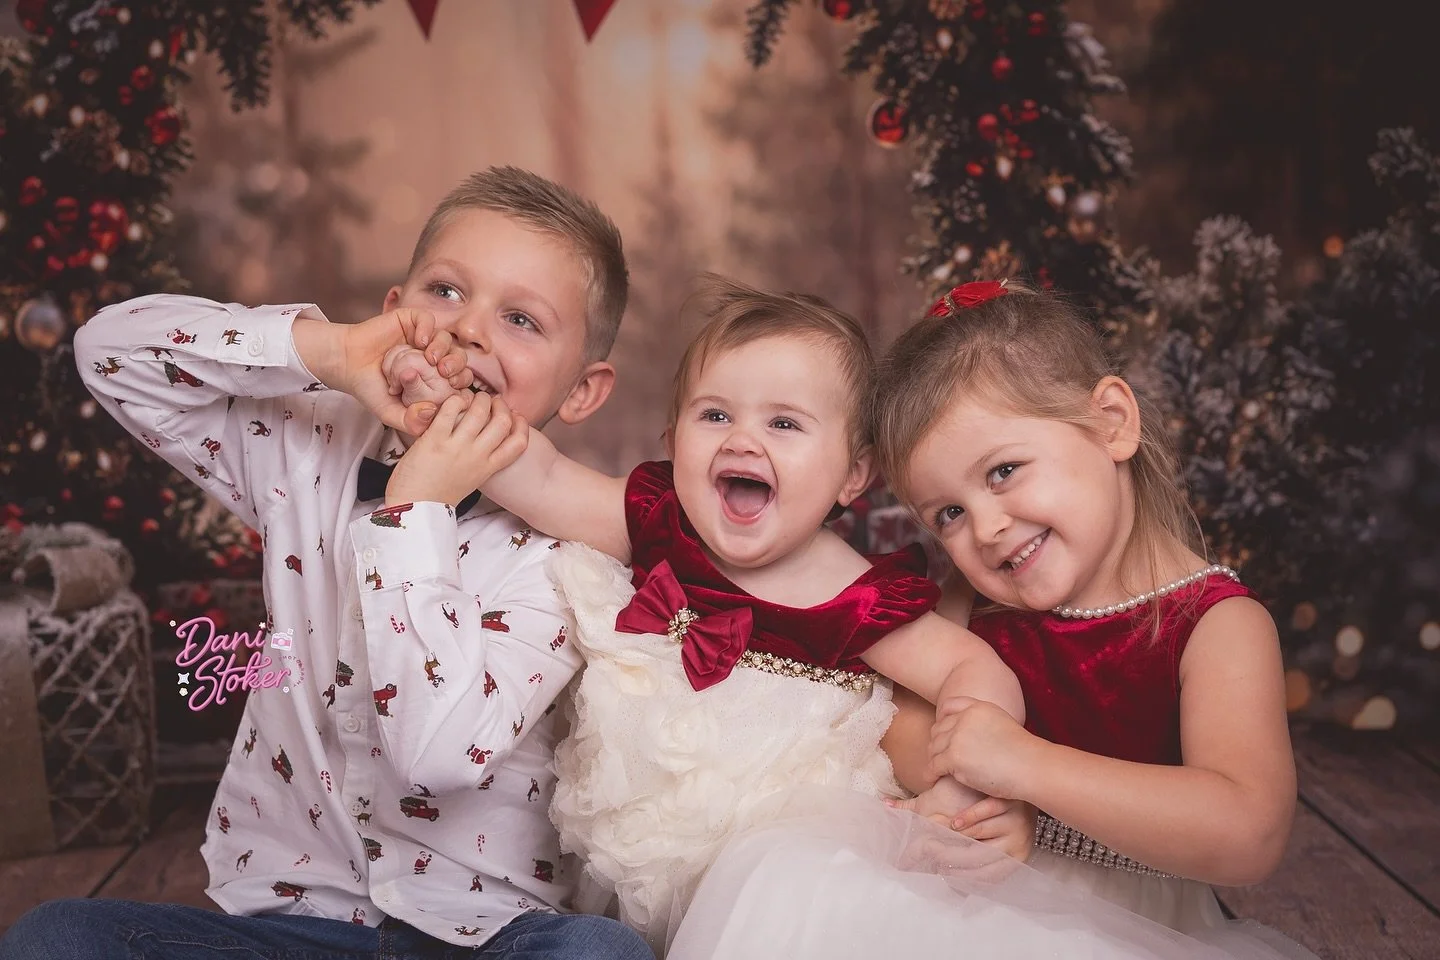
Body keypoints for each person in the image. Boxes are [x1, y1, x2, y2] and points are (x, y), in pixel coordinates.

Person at [0, 167, 653, 960]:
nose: (470, 329)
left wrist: (415, 511)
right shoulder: (305, 448)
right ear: (393, 314)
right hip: (289, 927)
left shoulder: (566, 559)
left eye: (520, 318)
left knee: (597, 951)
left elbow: (438, 754)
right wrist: (332, 352)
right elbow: (108, 351)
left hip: (480, 935)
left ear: (582, 392)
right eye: (446, 291)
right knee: (56, 936)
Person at [651, 280, 1321, 960]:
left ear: (1113, 422)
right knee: (791, 882)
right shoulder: (974, 602)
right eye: (948, 514)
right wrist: (967, 795)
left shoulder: (1214, 625)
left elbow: (1248, 833)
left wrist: (1025, 768)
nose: (988, 528)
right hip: (975, 885)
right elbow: (902, 724)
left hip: (1132, 925)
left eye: (1003, 471)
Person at [380, 274, 1032, 954]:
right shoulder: (657, 522)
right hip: (636, 865)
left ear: (852, 474)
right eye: (715, 416)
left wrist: (963, 786)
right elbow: (536, 475)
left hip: (790, 873)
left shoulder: (854, 595)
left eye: (784, 423)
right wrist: (441, 398)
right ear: (672, 439)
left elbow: (971, 666)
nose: (743, 441)